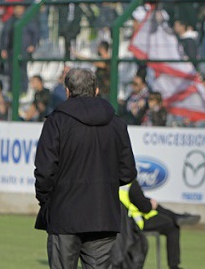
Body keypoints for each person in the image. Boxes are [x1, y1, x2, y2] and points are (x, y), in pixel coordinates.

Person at [34, 68, 138, 268]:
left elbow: (45, 171)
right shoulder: (117, 123)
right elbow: (128, 172)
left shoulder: (56, 121)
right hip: (102, 215)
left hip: (64, 214)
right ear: (96, 90)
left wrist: (46, 200)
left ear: (67, 91)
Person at [118, 180, 200, 269]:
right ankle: (174, 266)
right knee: (172, 226)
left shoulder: (112, 182)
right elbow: (144, 207)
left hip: (123, 222)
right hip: (136, 223)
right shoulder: (130, 183)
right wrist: (150, 204)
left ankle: (177, 216)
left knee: (159, 209)